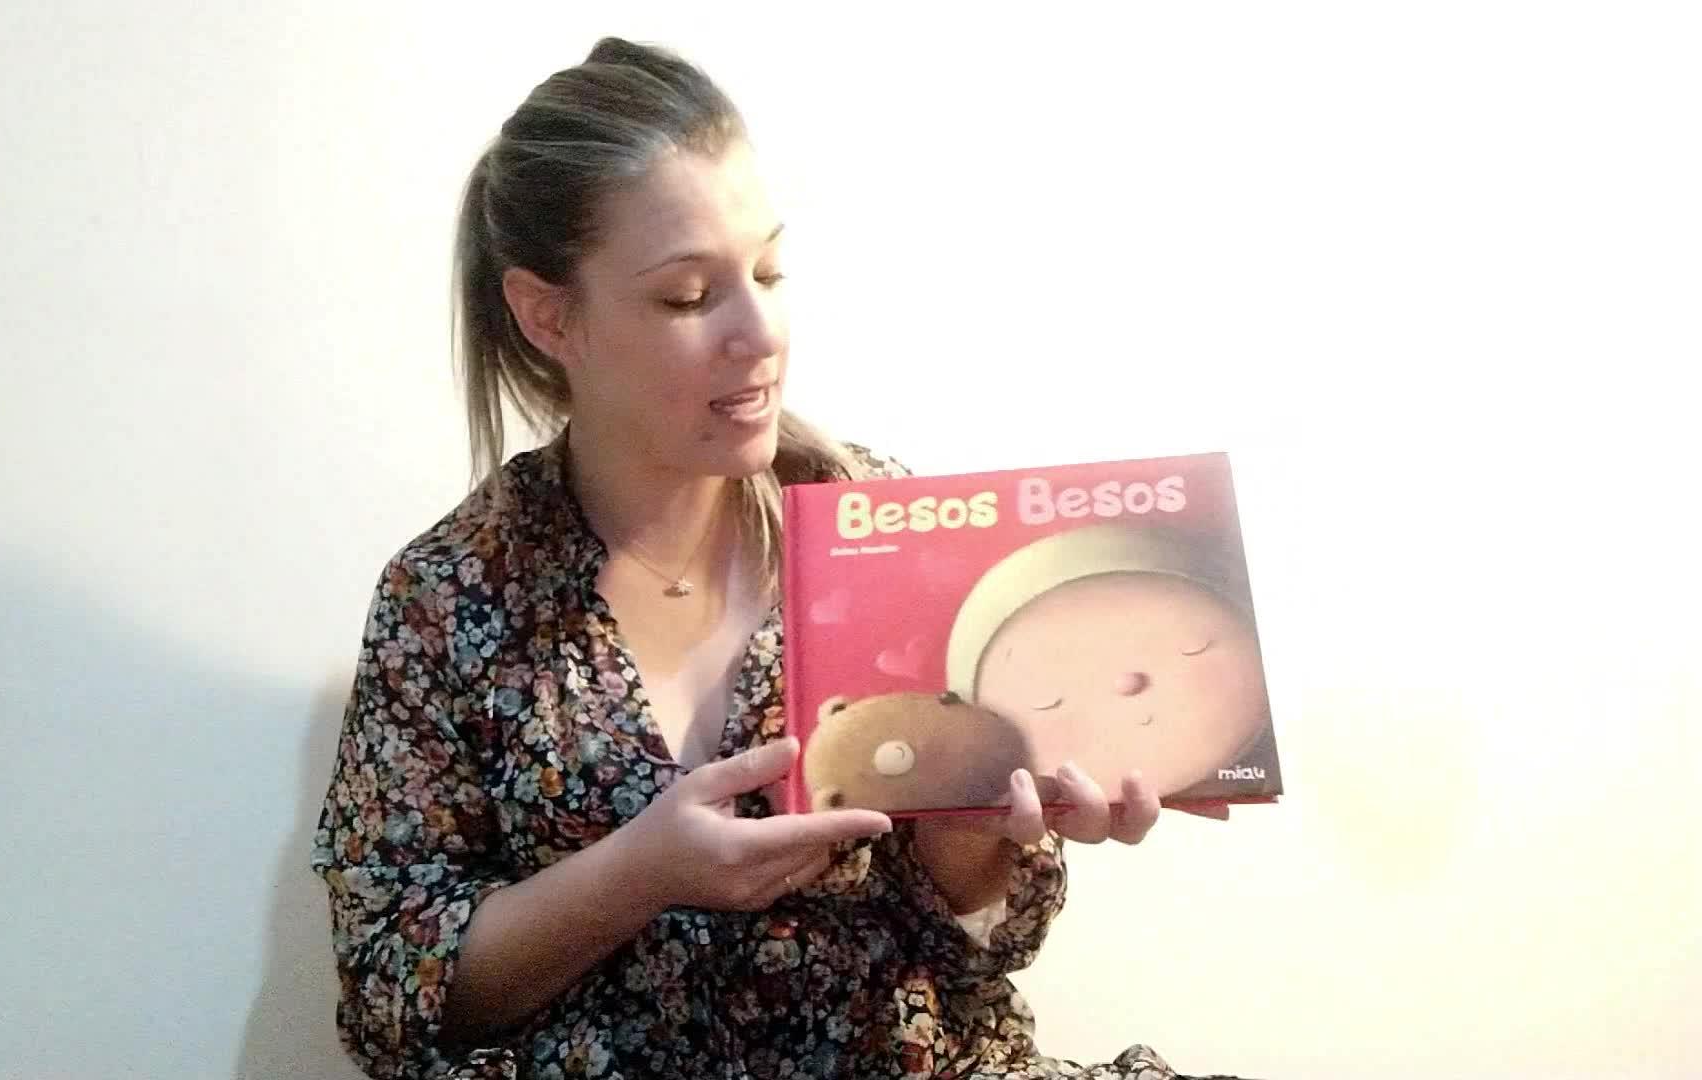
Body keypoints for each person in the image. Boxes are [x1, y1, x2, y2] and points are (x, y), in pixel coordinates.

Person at [310, 36, 1246, 1080]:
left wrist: (976, 834)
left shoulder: (875, 524)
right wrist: (637, 874)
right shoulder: (450, 597)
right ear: (548, 316)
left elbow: (975, 940)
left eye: (768, 271)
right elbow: (394, 999)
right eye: (687, 296)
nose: (760, 333)